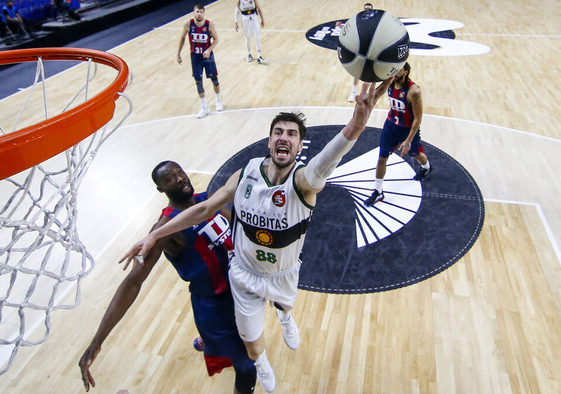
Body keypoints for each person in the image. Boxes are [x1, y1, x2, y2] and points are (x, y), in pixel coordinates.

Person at [121, 80, 392, 392]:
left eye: (292, 134)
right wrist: (155, 236)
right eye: (279, 132)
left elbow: (327, 160)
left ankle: (286, 317)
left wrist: (356, 127)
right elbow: (205, 207)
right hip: (244, 274)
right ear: (269, 141)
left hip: (283, 273)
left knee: (284, 306)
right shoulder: (246, 173)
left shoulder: (305, 181)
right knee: (251, 347)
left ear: (300, 146)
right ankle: (262, 363)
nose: (284, 137)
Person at [79, 161, 256, 394]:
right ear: (161, 189)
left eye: (180, 172)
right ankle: (213, 342)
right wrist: (97, 342)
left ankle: (207, 340)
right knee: (247, 365)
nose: (180, 178)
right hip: (215, 308)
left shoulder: (207, 199)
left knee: (253, 340)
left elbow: (243, 227)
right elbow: (133, 282)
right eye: (170, 178)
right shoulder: (163, 229)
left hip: (240, 293)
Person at [364, 62, 432, 207]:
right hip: (391, 125)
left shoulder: (413, 91)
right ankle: (378, 191)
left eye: (398, 70)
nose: (393, 73)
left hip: (407, 129)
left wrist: (408, 140)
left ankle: (426, 167)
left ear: (406, 71)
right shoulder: (390, 81)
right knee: (382, 157)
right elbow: (376, 90)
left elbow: (418, 118)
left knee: (415, 154)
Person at [177, 4, 224, 119]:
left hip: (207, 56)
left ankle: (218, 100)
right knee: (198, 81)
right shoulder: (188, 24)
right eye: (197, 12)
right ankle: (204, 107)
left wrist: (209, 49)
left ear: (204, 13)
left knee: (214, 80)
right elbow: (182, 38)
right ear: (194, 13)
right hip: (195, 57)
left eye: (201, 12)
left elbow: (216, 39)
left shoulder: (209, 24)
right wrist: (178, 53)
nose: (199, 14)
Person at [340, 3, 374, 102]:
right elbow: (349, 28)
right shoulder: (359, 19)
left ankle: (367, 93)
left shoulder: (375, 21)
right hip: (361, 48)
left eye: (369, 9)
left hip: (372, 48)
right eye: (366, 8)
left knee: (371, 71)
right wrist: (341, 26)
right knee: (357, 71)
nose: (367, 10)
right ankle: (354, 92)